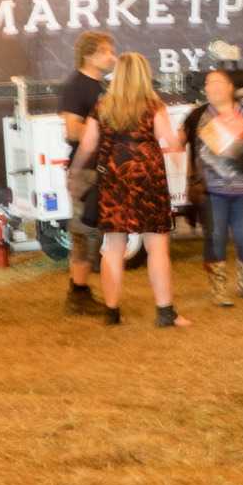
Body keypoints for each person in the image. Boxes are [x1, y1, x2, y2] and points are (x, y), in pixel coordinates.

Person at [69, 51, 187, 328]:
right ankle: (165, 312)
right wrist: (180, 137)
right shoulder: (153, 105)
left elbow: (87, 145)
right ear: (143, 75)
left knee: (113, 247)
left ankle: (111, 311)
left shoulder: (103, 105)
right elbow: (169, 141)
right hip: (149, 179)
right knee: (156, 246)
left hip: (114, 178)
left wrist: (75, 171)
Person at [183, 67, 243, 306]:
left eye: (217, 82)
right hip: (211, 193)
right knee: (215, 238)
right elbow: (178, 142)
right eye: (207, 83)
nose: (211, 87)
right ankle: (219, 290)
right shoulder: (197, 116)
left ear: (229, 88)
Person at [56, 31, 117, 318]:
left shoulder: (100, 86)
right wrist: (106, 135)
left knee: (95, 234)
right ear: (89, 55)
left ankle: (83, 292)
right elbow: (72, 130)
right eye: (106, 51)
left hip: (101, 168)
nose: (112, 56)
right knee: (83, 233)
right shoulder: (77, 86)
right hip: (85, 172)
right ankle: (77, 294)